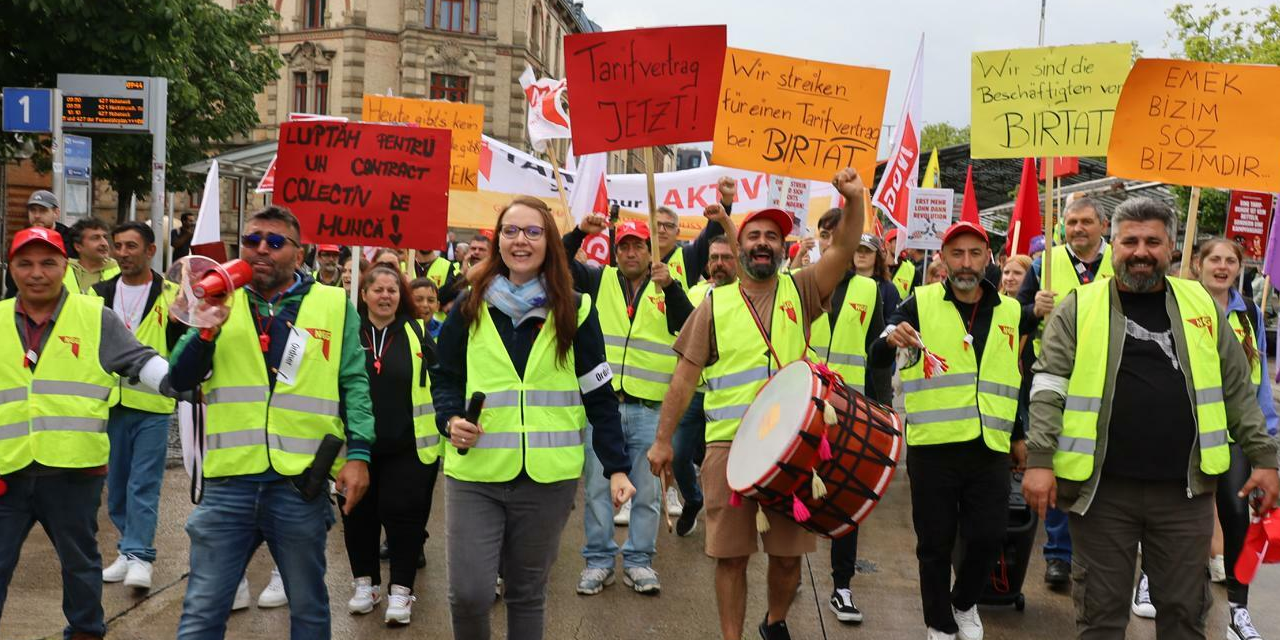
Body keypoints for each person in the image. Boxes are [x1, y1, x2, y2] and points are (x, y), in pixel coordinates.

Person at [1023, 198, 1280, 640]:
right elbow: (1048, 387)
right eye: (1131, 241)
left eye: (1153, 242)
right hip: (1102, 495)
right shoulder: (1078, 306)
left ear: (1171, 247)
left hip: (1186, 495)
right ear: (1114, 245)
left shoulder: (1201, 304)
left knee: (1183, 613)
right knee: (1101, 616)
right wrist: (1040, 460)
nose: (1141, 251)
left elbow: (1237, 388)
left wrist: (1265, 458)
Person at [648, 167, 867, 640]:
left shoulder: (802, 288)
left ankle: (774, 622)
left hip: (794, 448)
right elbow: (684, 377)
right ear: (740, 245)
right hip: (729, 450)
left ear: (783, 248)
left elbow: (846, 246)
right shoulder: (714, 304)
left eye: (772, 235)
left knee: (789, 558)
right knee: (730, 557)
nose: (763, 242)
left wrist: (854, 199)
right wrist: (663, 441)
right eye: (754, 235)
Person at [431, 196, 636, 640]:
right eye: (510, 231)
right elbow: (444, 379)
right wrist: (449, 421)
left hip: (548, 480)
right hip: (476, 474)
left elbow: (599, 396)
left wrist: (617, 467)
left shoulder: (576, 309)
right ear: (497, 240)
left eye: (532, 231)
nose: (520, 240)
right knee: (469, 592)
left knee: (526, 592)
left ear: (549, 242)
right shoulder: (469, 306)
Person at [169, 206, 375, 640]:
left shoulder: (334, 305)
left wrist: (358, 454)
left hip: (298, 486)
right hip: (230, 483)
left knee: (308, 608)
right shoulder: (220, 298)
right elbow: (179, 379)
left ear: (299, 256)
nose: (261, 248)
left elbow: (354, 382)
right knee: (203, 610)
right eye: (252, 240)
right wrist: (205, 331)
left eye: (275, 242)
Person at [0, 226, 174, 640]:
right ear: (11, 268)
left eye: (48, 262)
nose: (37, 273)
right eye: (25, 263)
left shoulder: (94, 315)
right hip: (7, 472)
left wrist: (184, 380)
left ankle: (85, 632)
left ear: (66, 266)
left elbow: (142, 362)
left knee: (80, 564)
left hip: (73, 472)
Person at [875, 220, 1036, 640]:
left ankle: (964, 602)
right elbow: (879, 348)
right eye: (957, 254)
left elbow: (1013, 376)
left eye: (975, 253)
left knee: (988, 536)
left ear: (989, 259)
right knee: (935, 543)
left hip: (990, 447)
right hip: (935, 449)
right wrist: (893, 338)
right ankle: (940, 624)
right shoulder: (919, 303)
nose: (966, 263)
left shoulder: (1012, 311)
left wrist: (1018, 435)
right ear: (943, 259)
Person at [561, 217, 695, 597]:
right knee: (598, 489)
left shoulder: (667, 286)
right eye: (624, 246)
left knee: (648, 494)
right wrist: (580, 234)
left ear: (651, 250)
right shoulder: (596, 280)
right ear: (615, 251)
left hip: (649, 409)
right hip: (602, 408)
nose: (631, 252)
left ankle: (639, 561)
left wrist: (670, 287)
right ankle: (599, 561)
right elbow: (557, 261)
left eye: (638, 245)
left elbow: (689, 326)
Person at [1017, 197, 1112, 591]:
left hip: (1106, 378)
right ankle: (1058, 556)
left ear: (1103, 225)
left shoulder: (1119, 261)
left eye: (1086, 221)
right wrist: (1031, 307)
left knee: (1104, 467)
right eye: (1071, 222)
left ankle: (1099, 553)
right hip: (1056, 380)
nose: (1078, 229)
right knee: (1057, 462)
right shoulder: (1045, 264)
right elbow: (1015, 312)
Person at [342, 265, 441, 626]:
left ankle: (401, 590)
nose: (386, 296)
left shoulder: (417, 331)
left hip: (408, 445)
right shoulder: (349, 331)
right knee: (358, 516)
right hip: (358, 445)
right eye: (378, 289)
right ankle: (365, 584)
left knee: (405, 516)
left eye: (392, 290)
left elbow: (441, 378)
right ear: (364, 294)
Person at [1191, 238, 1279, 639]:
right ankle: (1152, 581)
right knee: (1179, 514)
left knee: (1237, 518)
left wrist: (1269, 438)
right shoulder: (1182, 304)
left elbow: (1258, 382)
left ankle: (1238, 611)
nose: (1223, 267)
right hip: (1189, 432)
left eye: (1231, 261)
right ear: (1198, 264)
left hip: (1236, 435)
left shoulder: (1250, 314)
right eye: (1215, 259)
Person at [92, 222, 183, 592]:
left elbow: (185, 347)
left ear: (149, 251)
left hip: (152, 404)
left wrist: (179, 325)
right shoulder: (97, 294)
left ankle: (141, 556)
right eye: (118, 246)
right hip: (110, 402)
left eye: (132, 246)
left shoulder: (172, 294)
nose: (124, 253)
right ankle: (127, 551)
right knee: (115, 486)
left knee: (143, 483)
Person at [808, 223, 889, 626]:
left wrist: (881, 411)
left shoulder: (871, 290)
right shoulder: (801, 282)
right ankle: (783, 582)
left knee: (845, 496)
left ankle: (842, 586)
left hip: (849, 412)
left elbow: (876, 355)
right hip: (803, 406)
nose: (835, 244)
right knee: (795, 492)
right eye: (829, 236)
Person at [672, 233, 738, 539]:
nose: (719, 264)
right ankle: (693, 500)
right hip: (694, 394)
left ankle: (725, 525)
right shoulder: (696, 292)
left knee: (722, 466)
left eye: (726, 257)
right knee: (677, 454)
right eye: (714, 258)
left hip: (728, 398)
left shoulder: (746, 297)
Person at [4, 191, 76, 299]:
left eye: (43, 211)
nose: (37, 216)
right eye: (33, 210)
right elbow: (11, 285)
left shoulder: (72, 240)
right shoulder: (20, 241)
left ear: (56, 213)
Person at [64, 218, 120, 294]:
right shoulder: (63, 270)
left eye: (105, 237)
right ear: (78, 246)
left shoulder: (120, 272)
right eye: (95, 238)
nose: (104, 243)